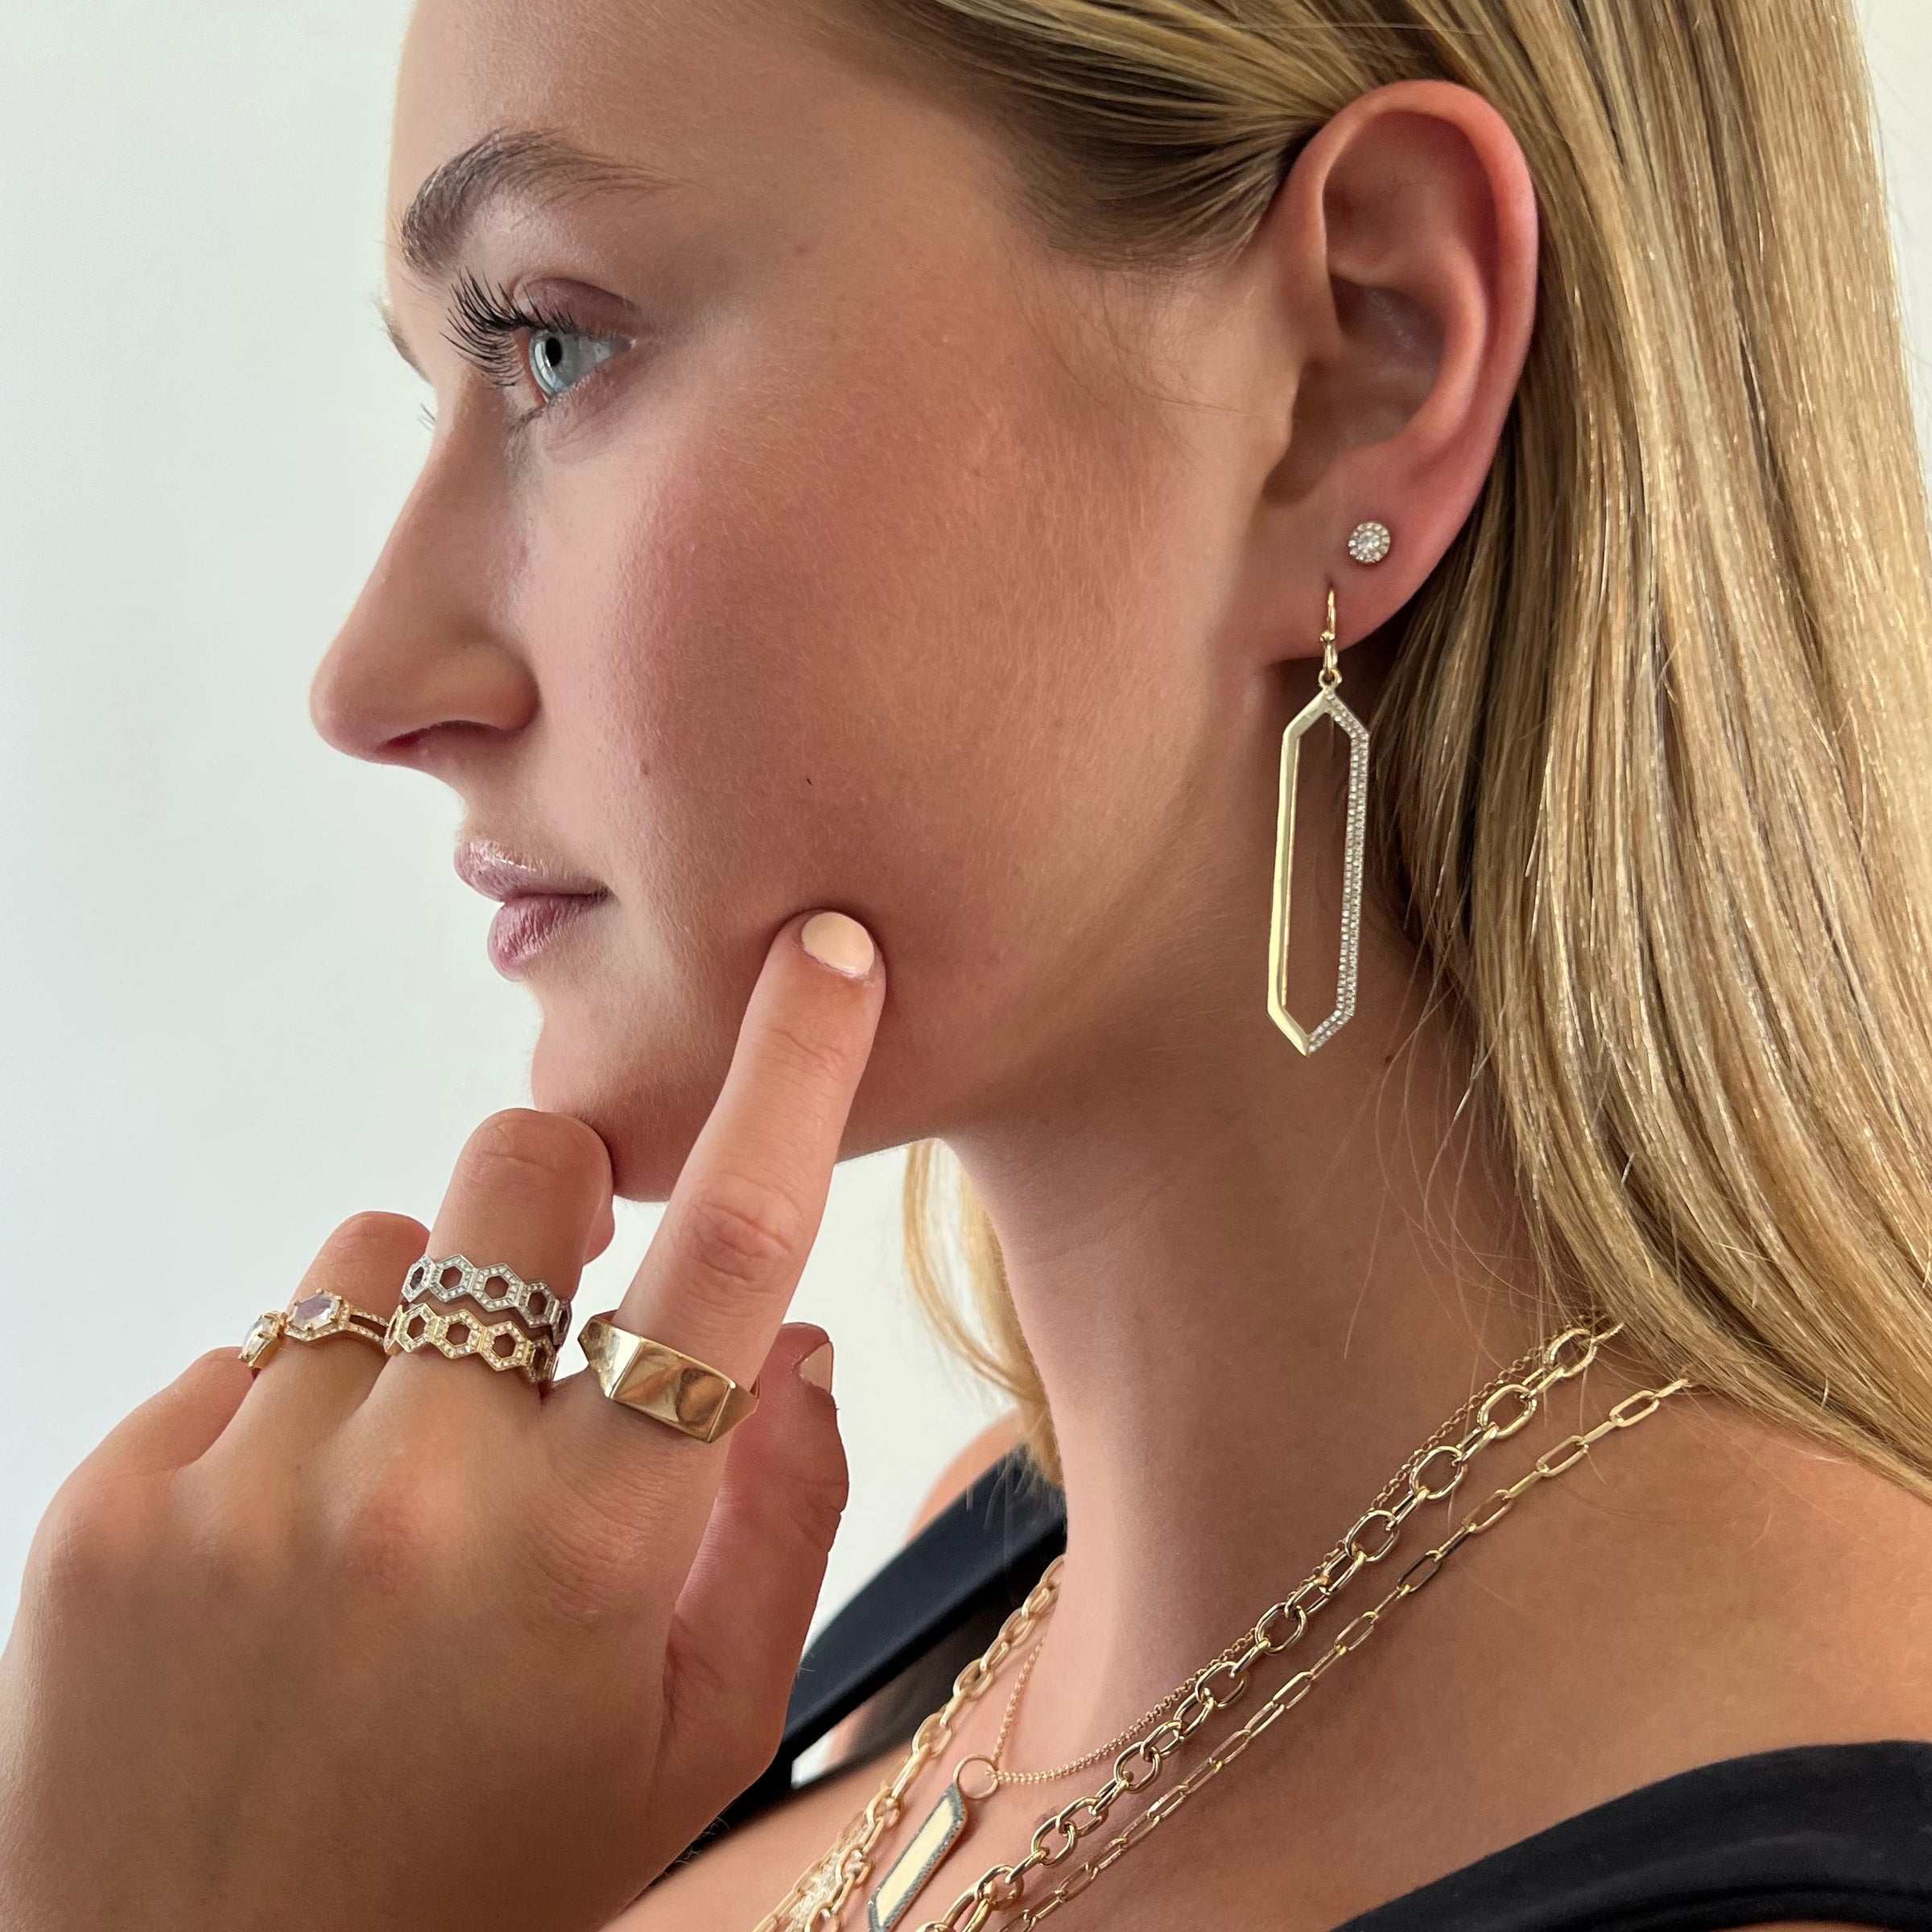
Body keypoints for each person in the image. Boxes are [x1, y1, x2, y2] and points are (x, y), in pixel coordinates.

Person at [4, 0, 1931, 1927]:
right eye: (440, 384)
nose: (367, 681)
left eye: (555, 345)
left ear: (1353, 369)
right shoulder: (978, 1607)